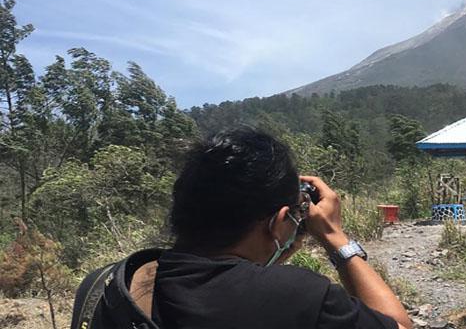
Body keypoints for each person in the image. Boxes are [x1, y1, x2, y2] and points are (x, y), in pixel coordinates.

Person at [71, 128, 412, 329]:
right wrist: (334, 236)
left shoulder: (105, 284)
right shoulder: (300, 298)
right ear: (281, 221)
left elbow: (226, 283)